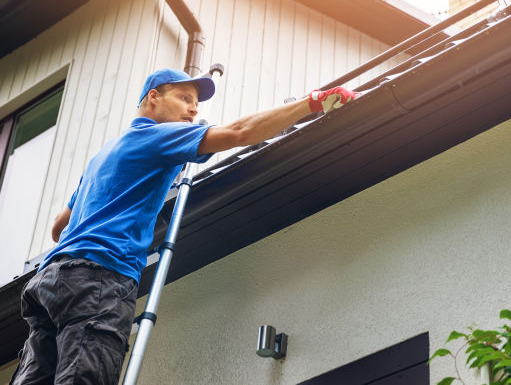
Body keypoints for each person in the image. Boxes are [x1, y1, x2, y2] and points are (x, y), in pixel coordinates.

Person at [10, 68, 358, 385]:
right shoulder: (157, 138)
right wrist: (311, 103)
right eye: (185, 98)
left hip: (51, 281)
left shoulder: (105, 155)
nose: (193, 110)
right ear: (153, 98)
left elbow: (59, 226)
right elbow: (239, 132)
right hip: (98, 278)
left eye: (195, 103)